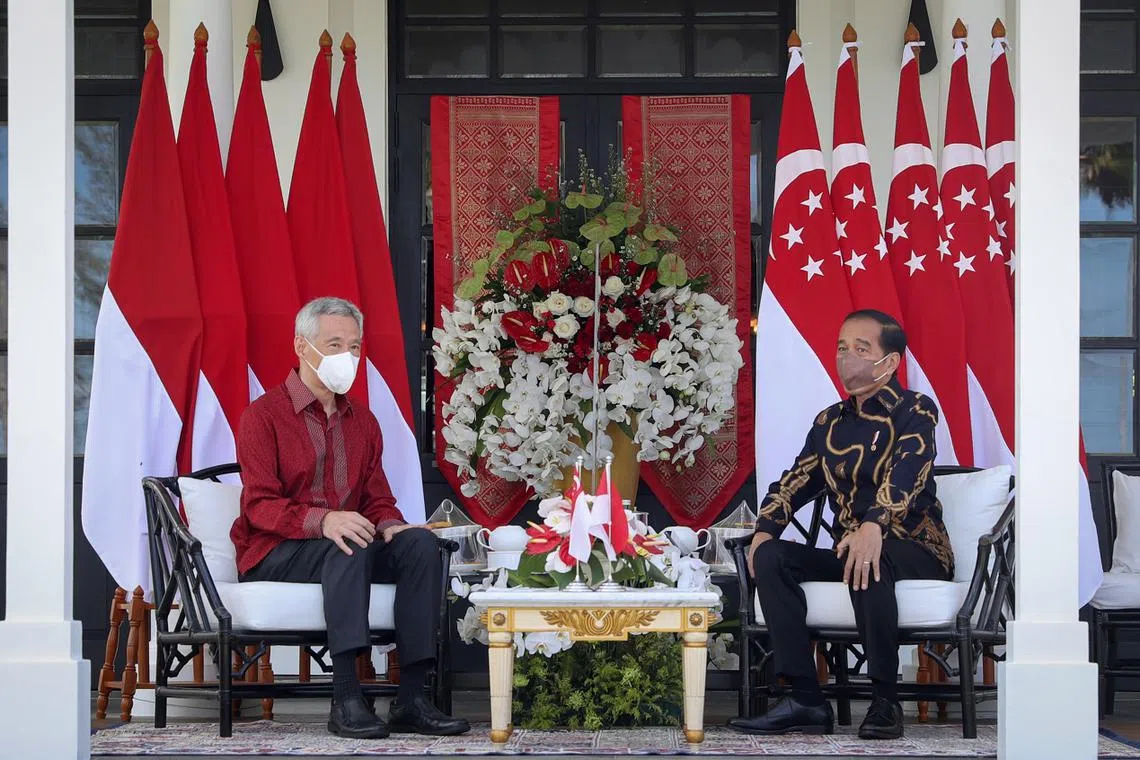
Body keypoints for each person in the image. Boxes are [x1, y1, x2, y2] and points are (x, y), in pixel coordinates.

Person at [231, 297, 469, 740]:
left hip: (344, 549)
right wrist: (324, 521)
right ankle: (346, 699)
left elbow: (377, 500)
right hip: (275, 550)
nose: (348, 356)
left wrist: (393, 526)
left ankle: (412, 699)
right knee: (347, 541)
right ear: (302, 347)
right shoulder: (262, 417)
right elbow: (259, 506)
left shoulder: (363, 422)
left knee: (420, 546)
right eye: (334, 344)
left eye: (354, 346)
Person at [728, 310, 954, 740]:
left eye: (861, 349)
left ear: (889, 362)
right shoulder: (828, 423)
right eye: (842, 347)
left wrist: (874, 525)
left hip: (915, 548)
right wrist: (765, 529)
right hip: (849, 549)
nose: (847, 357)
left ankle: (885, 702)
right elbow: (794, 481)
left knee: (867, 555)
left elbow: (906, 474)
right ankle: (805, 699)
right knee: (773, 556)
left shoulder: (916, 410)